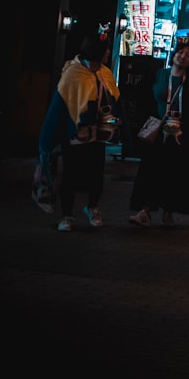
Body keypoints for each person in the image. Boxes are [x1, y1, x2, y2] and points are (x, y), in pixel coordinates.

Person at [128, 39, 189, 228]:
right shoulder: (160, 75)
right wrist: (146, 118)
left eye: (187, 55)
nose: (183, 56)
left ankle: (169, 210)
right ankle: (145, 210)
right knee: (150, 170)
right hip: (158, 133)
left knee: (176, 173)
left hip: (180, 135)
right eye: (180, 53)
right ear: (173, 55)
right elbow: (142, 96)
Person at [38, 30, 120, 232]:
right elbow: (58, 108)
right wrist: (49, 139)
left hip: (98, 135)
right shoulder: (73, 73)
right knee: (71, 176)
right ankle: (67, 215)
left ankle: (92, 206)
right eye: (105, 49)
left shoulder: (105, 73)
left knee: (96, 175)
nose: (108, 52)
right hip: (74, 135)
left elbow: (115, 99)